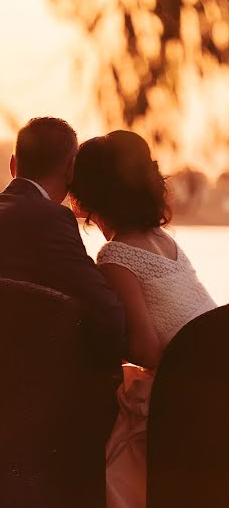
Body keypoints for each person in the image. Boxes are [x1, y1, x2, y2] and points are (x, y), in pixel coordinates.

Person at [68, 130, 218, 508]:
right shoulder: (167, 243)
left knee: (108, 448)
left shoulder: (115, 257)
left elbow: (146, 349)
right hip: (216, 377)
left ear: (87, 196)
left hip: (185, 392)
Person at [0, 117, 125, 360]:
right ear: (71, 168)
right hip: (9, 378)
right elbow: (106, 313)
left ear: (13, 165)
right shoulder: (51, 218)